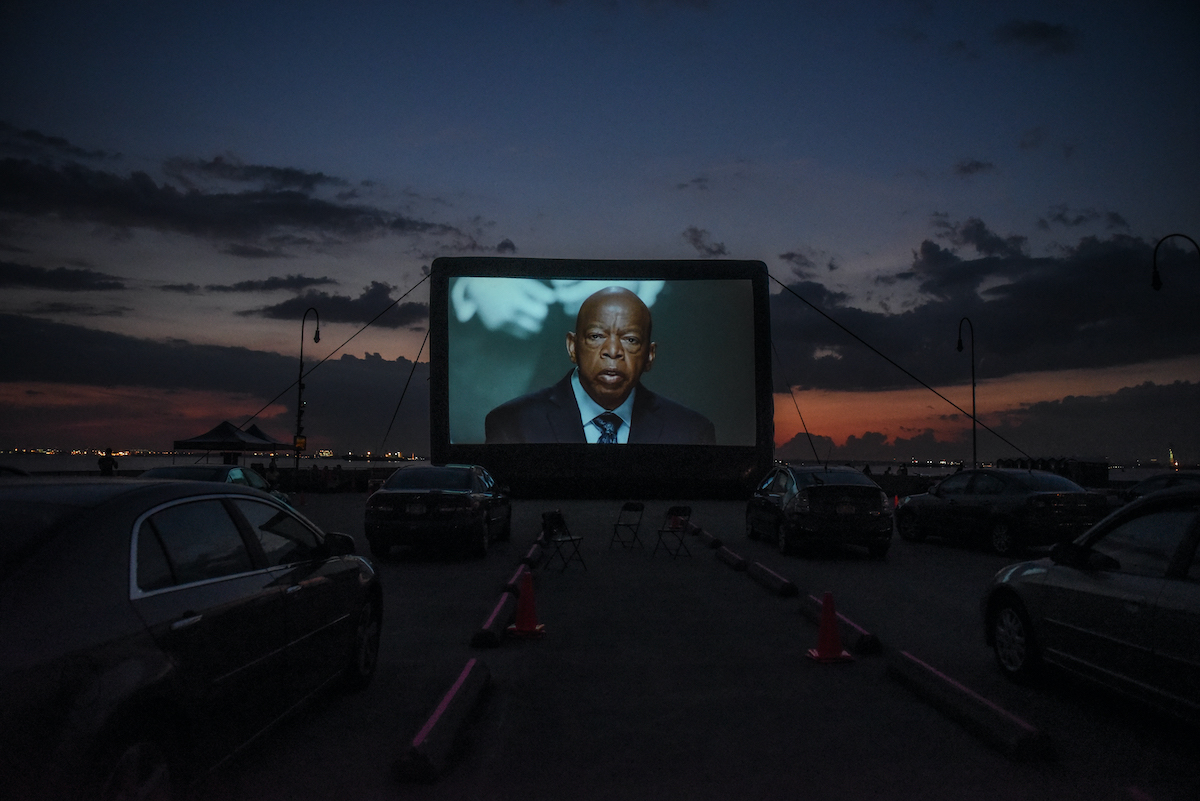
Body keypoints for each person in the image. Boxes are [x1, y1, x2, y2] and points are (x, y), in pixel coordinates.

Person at [484, 286, 715, 445]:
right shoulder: (511, 425)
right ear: (572, 347)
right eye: (596, 336)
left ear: (650, 356)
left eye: (630, 340)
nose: (612, 351)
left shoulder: (691, 432)